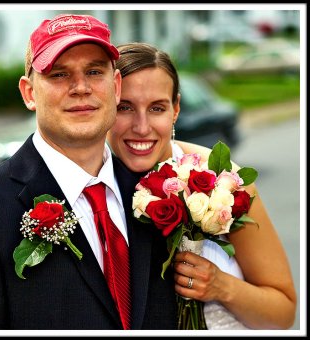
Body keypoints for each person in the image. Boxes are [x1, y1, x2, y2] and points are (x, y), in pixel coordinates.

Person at [0, 15, 177, 330]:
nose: (81, 87)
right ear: (29, 93)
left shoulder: (156, 196)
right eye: (59, 74)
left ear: (116, 85)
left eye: (94, 71)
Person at [106, 42, 297, 329]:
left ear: (176, 110)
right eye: (125, 108)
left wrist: (222, 287)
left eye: (157, 108)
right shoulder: (89, 188)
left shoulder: (222, 181)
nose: (141, 127)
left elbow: (283, 314)